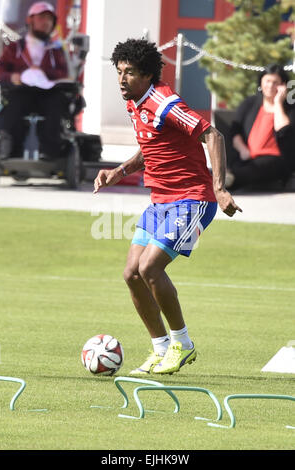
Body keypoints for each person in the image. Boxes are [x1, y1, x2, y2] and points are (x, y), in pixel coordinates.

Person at [93, 38, 242, 376]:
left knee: (150, 269)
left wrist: (219, 189)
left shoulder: (163, 101)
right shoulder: (135, 102)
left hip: (194, 201)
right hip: (160, 201)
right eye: (119, 72)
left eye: (129, 73)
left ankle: (183, 344)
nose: (121, 79)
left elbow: (212, 135)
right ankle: (161, 348)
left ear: (147, 74)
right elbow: (153, 146)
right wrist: (119, 171)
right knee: (131, 273)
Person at [0, 1, 69, 160]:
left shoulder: (55, 50)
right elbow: (0, 71)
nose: (46, 23)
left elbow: (64, 74)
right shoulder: (15, 48)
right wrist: (12, 77)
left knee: (56, 106)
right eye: (42, 18)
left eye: (50, 20)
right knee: (13, 108)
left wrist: (43, 73)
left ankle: (50, 153)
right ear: (30, 20)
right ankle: (12, 152)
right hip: (21, 92)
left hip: (48, 94)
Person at [226, 64, 295, 190]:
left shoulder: (289, 109)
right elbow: (234, 130)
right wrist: (243, 149)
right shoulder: (250, 103)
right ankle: (226, 178)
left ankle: (231, 179)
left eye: (275, 82)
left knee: (256, 169)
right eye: (267, 81)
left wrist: (278, 103)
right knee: (237, 167)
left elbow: (284, 131)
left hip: (275, 159)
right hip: (247, 155)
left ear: (282, 86)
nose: (270, 86)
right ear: (261, 82)